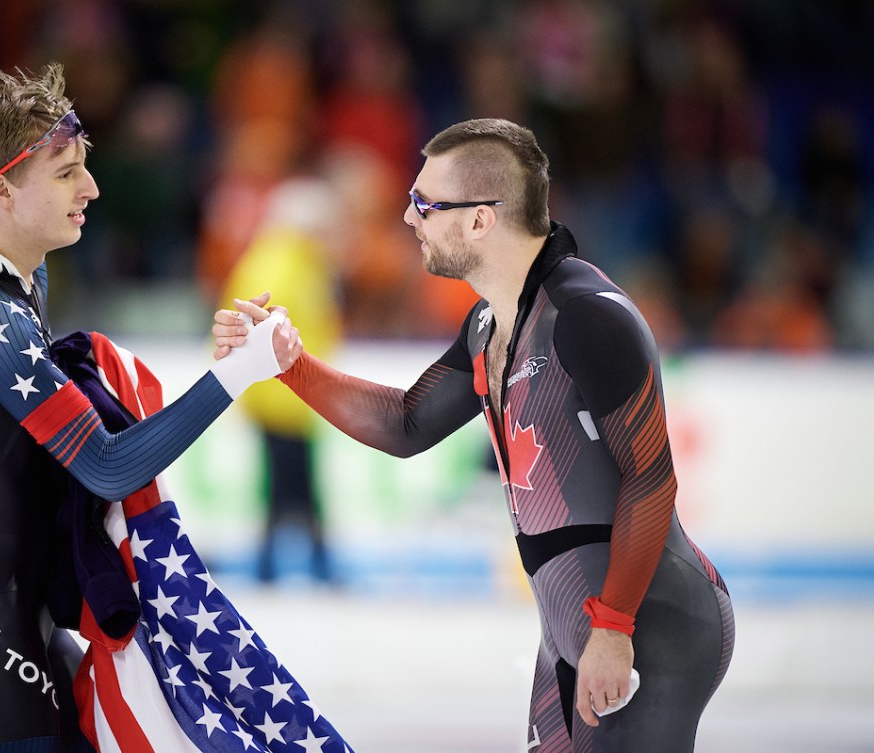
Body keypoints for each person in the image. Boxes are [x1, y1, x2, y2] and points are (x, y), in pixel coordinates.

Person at [216, 118, 735, 752]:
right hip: (579, 627)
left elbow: (652, 479)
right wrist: (290, 365)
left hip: (653, 623)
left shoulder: (586, 316)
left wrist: (614, 626)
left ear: (481, 220)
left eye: (425, 204)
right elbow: (406, 424)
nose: (408, 219)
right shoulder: (490, 323)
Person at [0, 63, 299, 753]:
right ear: (2, 190)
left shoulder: (19, 277)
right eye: (66, 173)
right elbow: (108, 468)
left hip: (15, 609)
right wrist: (235, 377)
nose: (92, 188)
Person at [219, 175, 345, 583]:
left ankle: (276, 564)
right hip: (283, 395)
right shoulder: (283, 264)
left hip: (287, 393)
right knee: (293, 483)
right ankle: (301, 564)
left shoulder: (288, 260)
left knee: (287, 483)